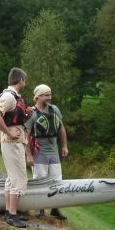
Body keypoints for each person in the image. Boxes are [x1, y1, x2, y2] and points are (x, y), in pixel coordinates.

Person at [0, 67, 33, 228]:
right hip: (12, 141)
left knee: (11, 178)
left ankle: (9, 213)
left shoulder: (14, 97)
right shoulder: (9, 97)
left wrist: (28, 114)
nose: (25, 83)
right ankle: (13, 215)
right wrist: (8, 131)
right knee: (19, 178)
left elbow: (17, 118)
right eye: (24, 80)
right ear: (20, 80)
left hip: (14, 139)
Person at [25, 84, 69, 220]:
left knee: (57, 180)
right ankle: (41, 209)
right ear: (38, 96)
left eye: (50, 94)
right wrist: (29, 155)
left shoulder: (54, 109)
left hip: (54, 151)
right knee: (40, 180)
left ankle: (55, 209)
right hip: (39, 153)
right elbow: (26, 135)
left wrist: (64, 146)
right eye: (46, 95)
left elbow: (61, 128)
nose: (49, 97)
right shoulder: (32, 114)